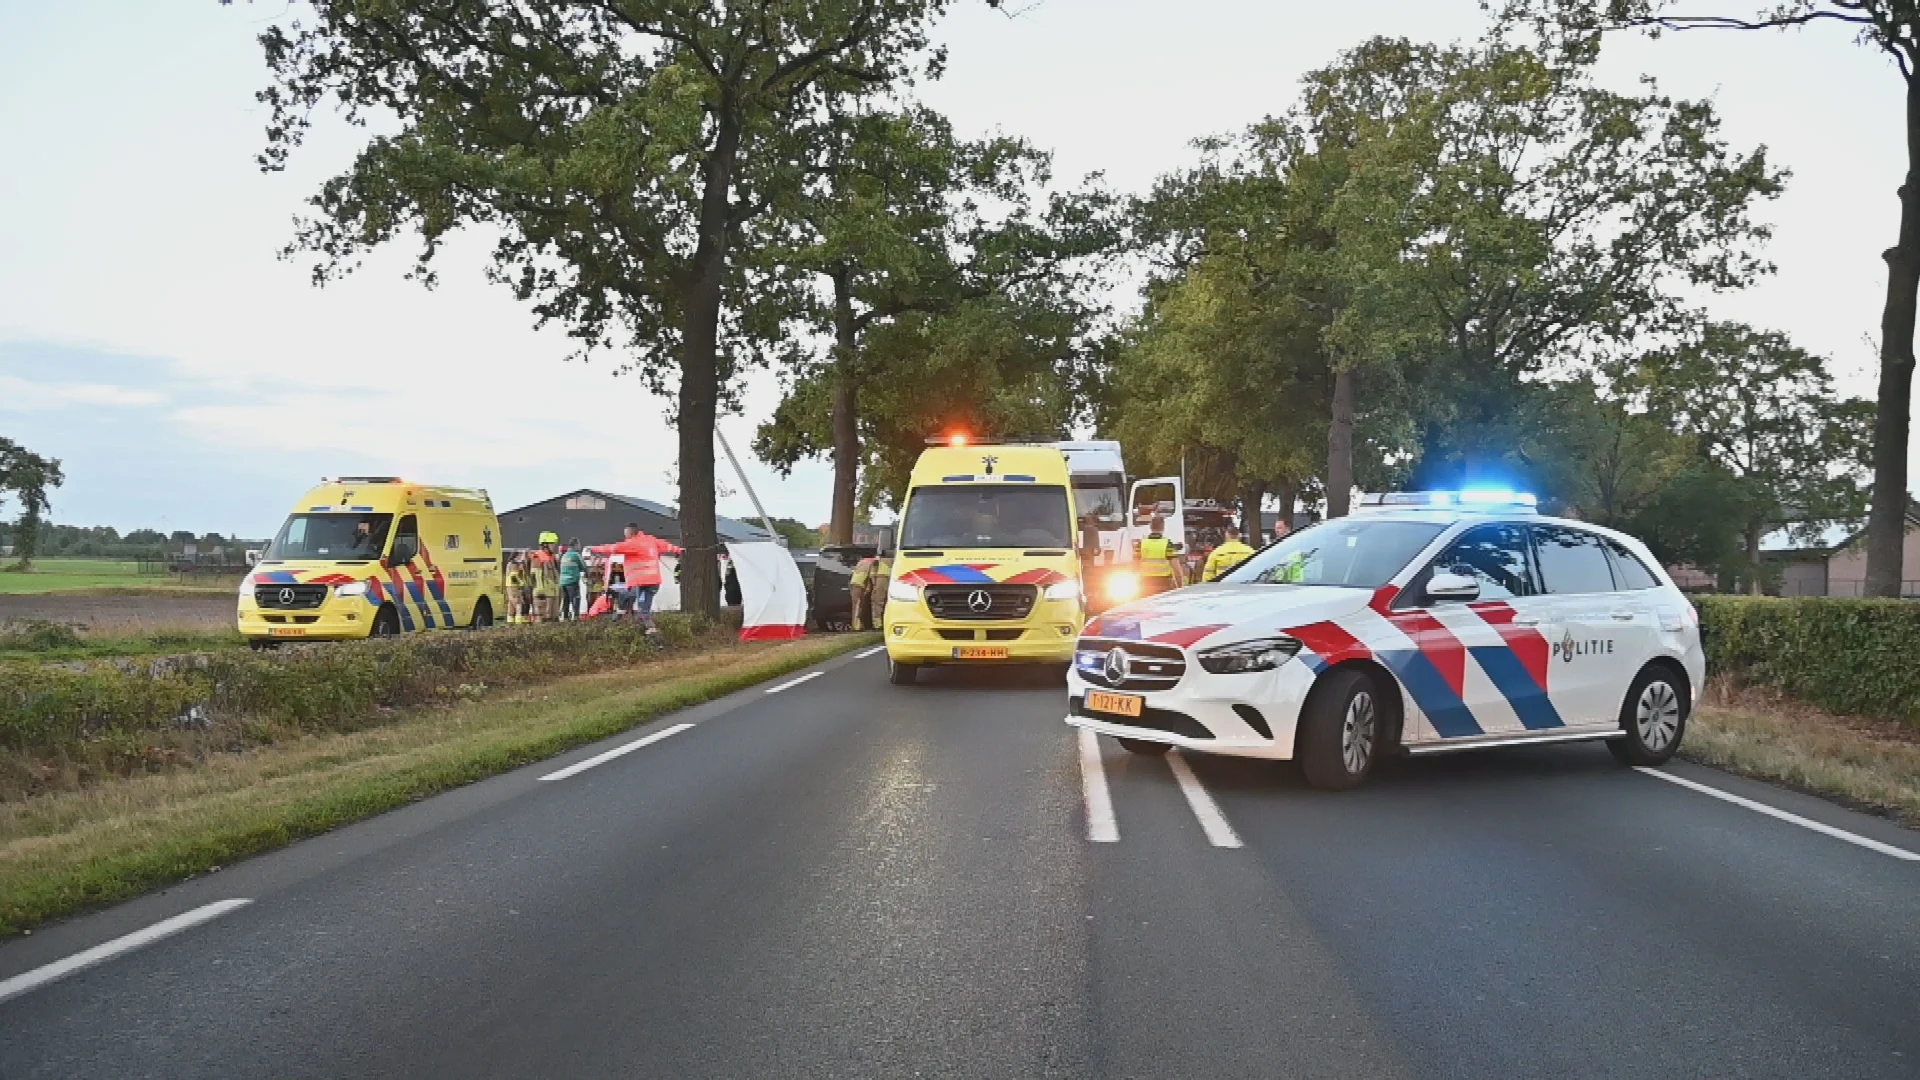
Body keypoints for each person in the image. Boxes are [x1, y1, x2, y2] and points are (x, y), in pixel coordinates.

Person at [590, 524, 682, 620]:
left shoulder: (632, 544)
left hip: (643, 583)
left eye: (626, 534)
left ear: (631, 533)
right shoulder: (651, 540)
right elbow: (667, 546)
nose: (625, 537)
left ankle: (650, 630)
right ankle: (622, 615)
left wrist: (594, 548)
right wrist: (679, 550)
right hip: (652, 582)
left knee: (641, 609)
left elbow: (613, 548)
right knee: (628, 596)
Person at [1136, 514, 1184, 595]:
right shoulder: (1167, 544)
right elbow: (1177, 570)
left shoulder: (1141, 544)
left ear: (1150, 527)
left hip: (1145, 584)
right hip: (1163, 584)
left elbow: (1134, 567)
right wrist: (1180, 587)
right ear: (1163, 527)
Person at [529, 532, 561, 622]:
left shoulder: (552, 558)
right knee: (542, 619)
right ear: (545, 545)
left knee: (554, 620)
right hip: (543, 596)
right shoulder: (537, 557)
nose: (554, 546)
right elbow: (535, 577)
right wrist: (540, 593)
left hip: (553, 595)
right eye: (552, 544)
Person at [557, 538, 585, 620]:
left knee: (566, 601)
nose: (580, 546)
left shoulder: (564, 555)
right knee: (576, 599)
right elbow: (583, 566)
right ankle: (576, 618)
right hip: (572, 581)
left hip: (563, 582)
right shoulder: (575, 555)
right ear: (575, 545)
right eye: (579, 544)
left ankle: (565, 617)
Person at [849, 552, 876, 631]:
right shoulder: (872, 562)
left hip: (854, 583)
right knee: (858, 605)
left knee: (856, 605)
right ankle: (856, 626)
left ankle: (857, 624)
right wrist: (874, 586)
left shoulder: (861, 562)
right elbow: (871, 575)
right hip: (859, 584)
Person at [504, 553, 530, 624]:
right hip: (514, 586)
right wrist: (521, 583)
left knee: (511, 604)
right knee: (518, 603)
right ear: (516, 556)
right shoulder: (514, 564)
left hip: (509, 586)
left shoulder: (509, 564)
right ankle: (519, 621)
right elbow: (514, 577)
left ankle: (510, 620)